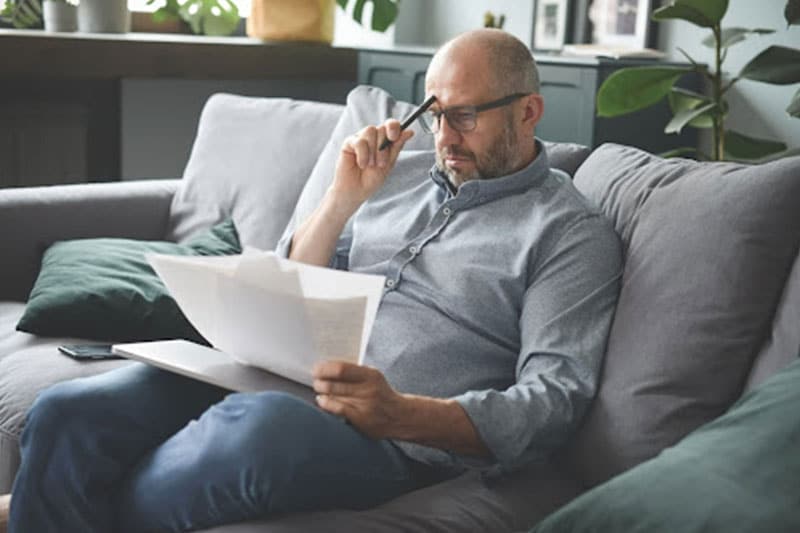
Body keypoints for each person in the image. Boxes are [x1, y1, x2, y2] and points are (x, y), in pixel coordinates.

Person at [5, 28, 622, 532]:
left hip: (390, 438)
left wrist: (401, 413)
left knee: (249, 436)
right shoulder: (395, 176)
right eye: (434, 114)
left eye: (464, 117)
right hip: (274, 377)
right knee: (68, 412)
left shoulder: (568, 234)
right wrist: (340, 200)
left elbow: (553, 401)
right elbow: (290, 279)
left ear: (529, 111)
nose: (444, 139)